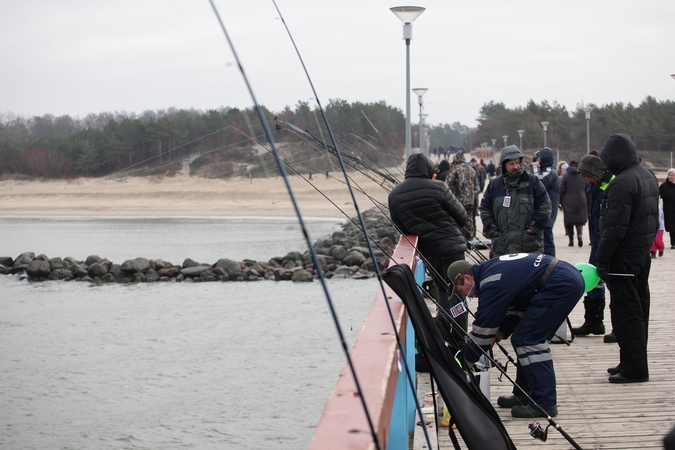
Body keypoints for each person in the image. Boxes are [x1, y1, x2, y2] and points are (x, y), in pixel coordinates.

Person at [447, 254, 584, 418]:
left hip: (560, 284)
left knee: (528, 339)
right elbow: (515, 311)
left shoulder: (491, 283)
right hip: (562, 277)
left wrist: (468, 358)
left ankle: (544, 402)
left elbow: (484, 328)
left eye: (461, 291)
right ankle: (524, 394)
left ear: (468, 278)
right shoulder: (491, 273)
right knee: (522, 337)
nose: (465, 296)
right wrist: (497, 335)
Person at [596, 134, 659, 383]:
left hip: (624, 256)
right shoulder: (647, 176)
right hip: (642, 254)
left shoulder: (621, 183)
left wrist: (602, 259)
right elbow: (654, 219)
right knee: (640, 309)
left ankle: (635, 369)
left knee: (626, 312)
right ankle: (630, 361)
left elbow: (615, 228)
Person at [388, 153, 468, 341]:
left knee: (442, 290)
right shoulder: (438, 187)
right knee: (457, 293)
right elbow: (462, 216)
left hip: (428, 252)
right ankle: (459, 343)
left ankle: (445, 338)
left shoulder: (394, 195)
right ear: (428, 170)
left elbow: (400, 227)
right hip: (452, 249)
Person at [479, 145, 551, 257]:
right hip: (501, 247)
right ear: (504, 165)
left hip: (529, 247)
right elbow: (484, 208)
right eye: (511, 164)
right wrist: (492, 230)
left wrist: (533, 228)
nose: (516, 166)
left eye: (517, 163)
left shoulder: (533, 182)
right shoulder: (494, 185)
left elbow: (545, 206)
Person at [571, 153, 614, 338]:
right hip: (596, 242)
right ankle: (594, 322)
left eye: (587, 176)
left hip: (611, 243)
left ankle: (620, 327)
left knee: (615, 285)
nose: (586, 180)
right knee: (595, 283)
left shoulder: (613, 185)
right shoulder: (592, 185)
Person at [446, 150, 477, 240]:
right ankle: (469, 241)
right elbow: (475, 188)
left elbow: (446, 185)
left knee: (458, 223)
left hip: (457, 202)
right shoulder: (472, 170)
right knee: (469, 221)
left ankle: (459, 241)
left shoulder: (454, 169)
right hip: (470, 201)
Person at [534, 148, 560, 256]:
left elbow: (538, 180)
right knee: (544, 241)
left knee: (547, 242)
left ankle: (550, 263)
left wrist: (534, 167)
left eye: (539, 158)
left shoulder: (550, 171)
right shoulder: (547, 170)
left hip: (548, 212)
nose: (537, 160)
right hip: (545, 211)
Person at [559, 160, 588, 247]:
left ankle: (571, 240)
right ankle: (579, 235)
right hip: (581, 199)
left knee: (569, 221)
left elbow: (561, 189)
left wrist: (560, 201)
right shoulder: (583, 175)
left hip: (568, 200)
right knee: (579, 220)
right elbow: (587, 188)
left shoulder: (566, 176)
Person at [659, 168, 675, 249]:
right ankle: (673, 243)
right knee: (671, 227)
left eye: (672, 175)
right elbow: (659, 196)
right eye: (669, 175)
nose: (670, 177)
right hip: (669, 209)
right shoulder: (664, 186)